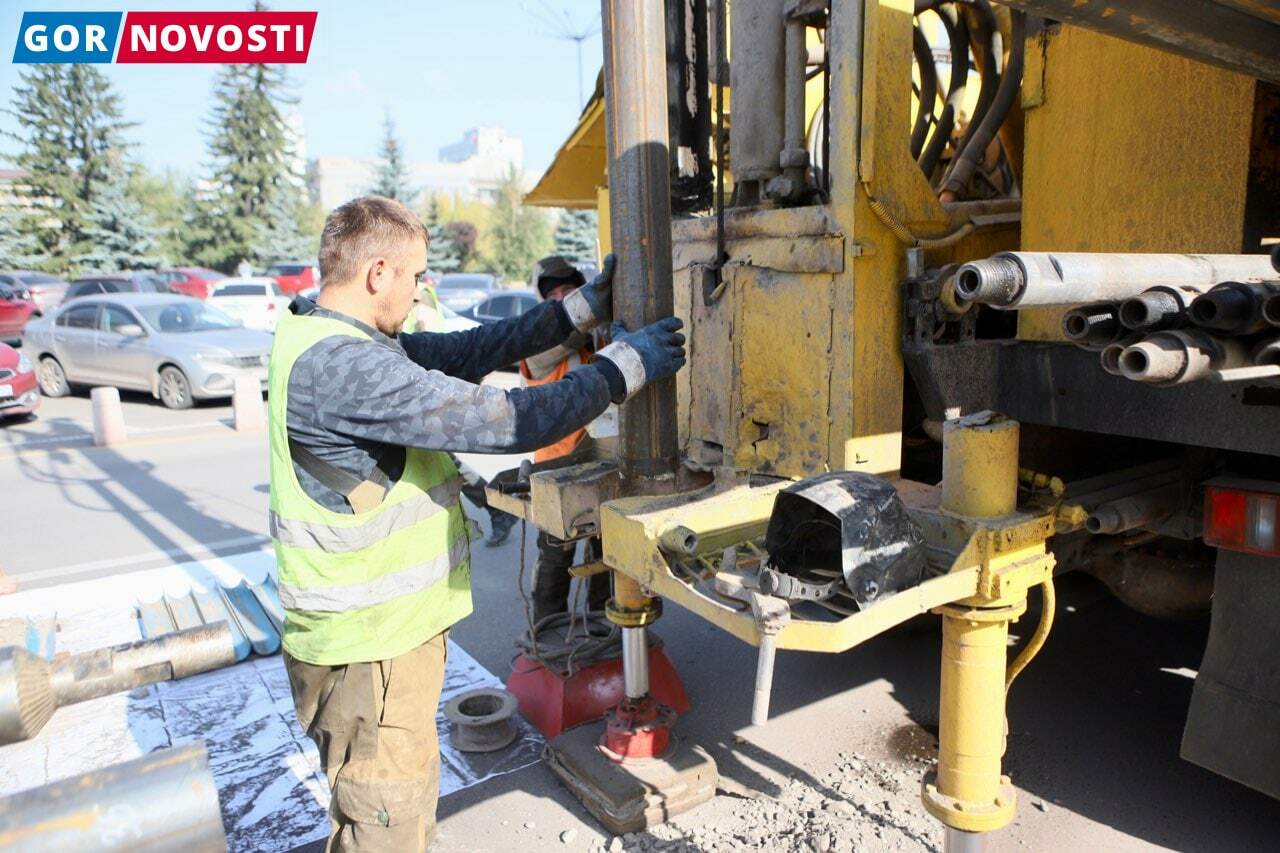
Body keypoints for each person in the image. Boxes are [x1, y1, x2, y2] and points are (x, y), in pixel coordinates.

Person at [269, 195, 684, 852]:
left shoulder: (326, 335)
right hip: (367, 648)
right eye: (414, 276)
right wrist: (624, 367)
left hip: (375, 641)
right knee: (386, 819)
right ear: (377, 272)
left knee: (395, 806)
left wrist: (580, 309)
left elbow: (473, 347)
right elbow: (509, 420)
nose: (418, 290)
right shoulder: (344, 366)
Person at [520, 255, 610, 622]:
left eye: (568, 290)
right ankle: (547, 627)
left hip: (600, 460)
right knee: (557, 552)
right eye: (553, 294)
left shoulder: (597, 337)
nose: (561, 299)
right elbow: (572, 333)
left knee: (606, 552)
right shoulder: (539, 344)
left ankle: (602, 625)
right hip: (556, 466)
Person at [403, 276, 517, 546]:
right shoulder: (414, 298)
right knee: (448, 466)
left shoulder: (419, 303)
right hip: (417, 403)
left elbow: (429, 353)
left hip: (422, 403)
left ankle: (498, 508)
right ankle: (498, 508)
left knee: (447, 466)